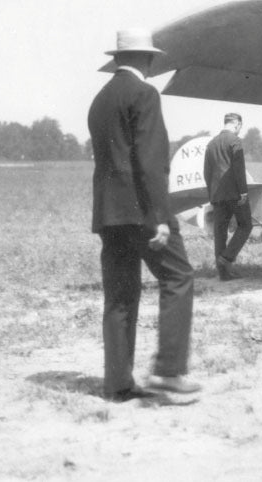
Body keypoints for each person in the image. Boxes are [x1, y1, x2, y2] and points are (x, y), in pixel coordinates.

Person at [88, 28, 200, 402]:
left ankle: (117, 384)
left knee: (120, 295)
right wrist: (161, 219)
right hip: (142, 213)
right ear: (147, 59)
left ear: (118, 59)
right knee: (179, 276)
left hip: (109, 214)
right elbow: (151, 164)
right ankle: (169, 372)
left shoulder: (100, 100)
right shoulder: (145, 94)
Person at [204, 113, 253, 280]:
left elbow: (207, 173)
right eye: (240, 127)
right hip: (235, 193)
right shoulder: (235, 141)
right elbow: (239, 169)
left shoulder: (211, 144)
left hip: (217, 195)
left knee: (220, 232)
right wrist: (244, 192)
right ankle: (226, 258)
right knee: (246, 225)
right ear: (237, 124)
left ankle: (223, 274)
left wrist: (211, 194)